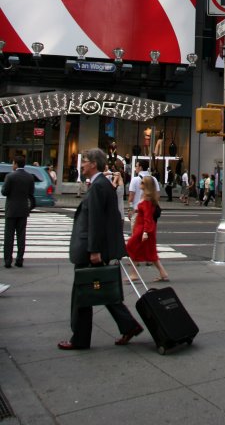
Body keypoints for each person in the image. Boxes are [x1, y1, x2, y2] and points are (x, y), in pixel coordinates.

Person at [58, 148, 143, 350]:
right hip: (94, 247)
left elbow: (96, 221)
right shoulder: (102, 184)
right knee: (101, 290)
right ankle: (128, 325)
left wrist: (95, 250)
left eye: (84, 161)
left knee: (82, 293)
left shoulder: (98, 186)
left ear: (94, 164)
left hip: (90, 249)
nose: (82, 165)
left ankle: (80, 339)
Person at [126, 175, 168, 283]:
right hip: (143, 228)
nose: (140, 184)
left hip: (143, 229)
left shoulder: (147, 199)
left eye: (142, 182)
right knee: (150, 252)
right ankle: (162, 273)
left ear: (147, 185)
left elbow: (148, 217)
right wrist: (136, 211)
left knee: (131, 246)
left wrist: (145, 232)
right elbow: (144, 213)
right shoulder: (146, 197)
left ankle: (134, 273)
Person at [2, 155, 35, 268]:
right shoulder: (29, 177)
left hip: (11, 209)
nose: (12, 165)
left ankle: (7, 261)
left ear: (16, 164)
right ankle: (19, 259)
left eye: (13, 163)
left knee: (9, 236)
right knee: (21, 235)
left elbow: (4, 192)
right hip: (23, 209)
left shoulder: (10, 176)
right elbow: (31, 192)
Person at [128, 159, 160, 228]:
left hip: (138, 212)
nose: (135, 168)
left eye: (136, 166)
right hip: (150, 212)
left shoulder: (134, 180)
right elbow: (157, 196)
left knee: (136, 235)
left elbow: (131, 197)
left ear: (140, 167)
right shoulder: (154, 179)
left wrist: (130, 210)